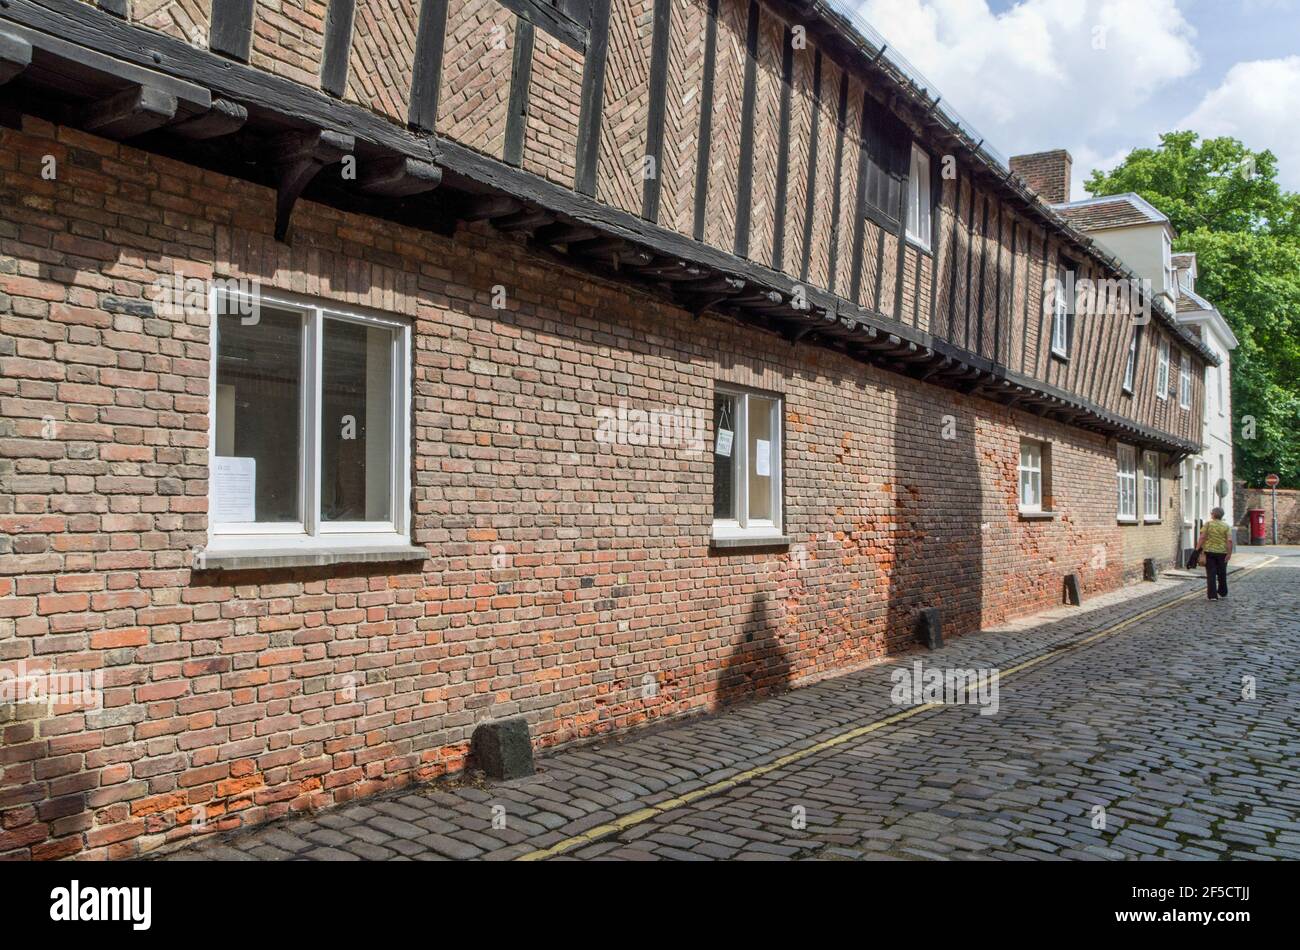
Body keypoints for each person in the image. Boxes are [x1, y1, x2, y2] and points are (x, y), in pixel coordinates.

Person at [1198, 507, 1233, 601]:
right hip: (1222, 553)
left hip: (1209, 552)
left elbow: (1202, 537)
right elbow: (1229, 541)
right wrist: (1229, 553)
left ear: (1213, 514)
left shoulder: (1208, 525)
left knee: (1211, 574)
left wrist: (1197, 548)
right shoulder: (1226, 526)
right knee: (1222, 572)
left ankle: (1212, 595)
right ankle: (1223, 591)